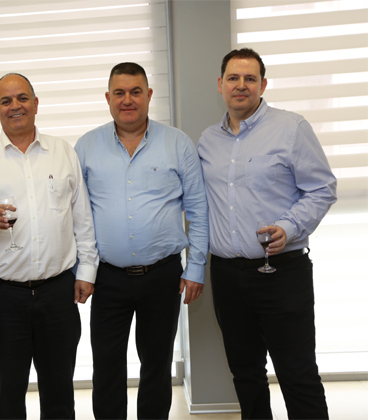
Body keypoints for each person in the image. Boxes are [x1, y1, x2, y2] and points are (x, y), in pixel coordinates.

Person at [0, 73, 98, 419]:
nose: (15, 106)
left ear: (36, 103)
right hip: (2, 297)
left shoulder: (62, 152)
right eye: (6, 101)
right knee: (8, 397)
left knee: (60, 396)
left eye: (22, 98)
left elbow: (83, 219)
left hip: (57, 293)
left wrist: (87, 271)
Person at [198, 48, 336, 419]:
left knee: (297, 373)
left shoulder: (291, 128)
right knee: (245, 374)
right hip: (227, 275)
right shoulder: (207, 141)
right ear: (220, 84)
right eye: (233, 78)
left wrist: (288, 227)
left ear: (263, 85)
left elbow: (322, 188)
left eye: (250, 78)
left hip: (282, 272)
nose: (241, 85)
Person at [74, 62, 209, 420]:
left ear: (149, 95)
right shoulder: (86, 147)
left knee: (156, 365)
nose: (127, 100)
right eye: (119, 93)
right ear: (108, 98)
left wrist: (196, 267)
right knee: (106, 365)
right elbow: (75, 215)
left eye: (136, 92)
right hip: (108, 277)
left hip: (163, 276)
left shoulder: (177, 143)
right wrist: (81, 270)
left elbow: (198, 210)